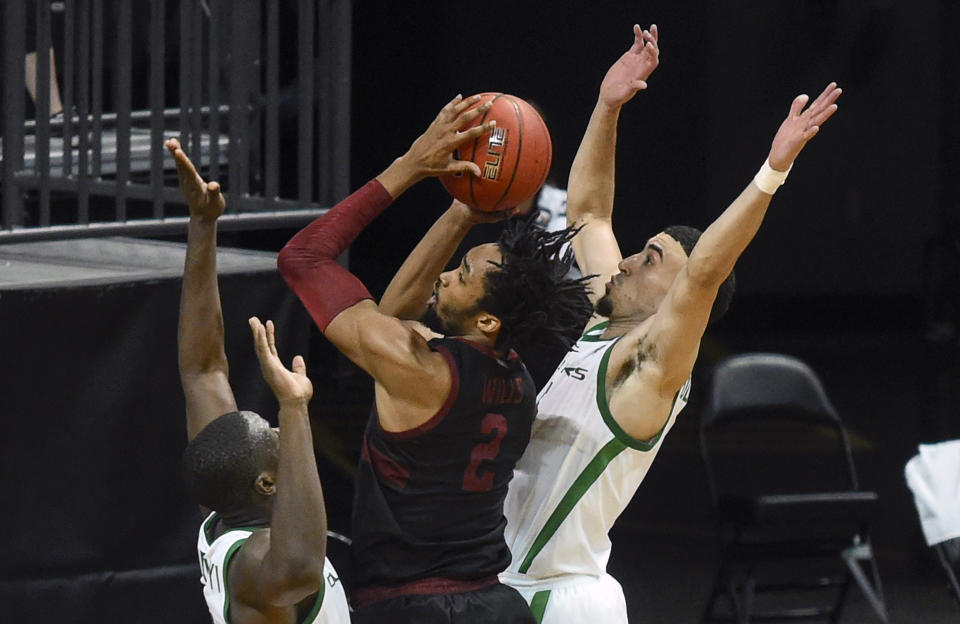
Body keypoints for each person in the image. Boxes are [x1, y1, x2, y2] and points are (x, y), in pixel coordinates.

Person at [500, 24, 842, 622]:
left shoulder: (649, 368)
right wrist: (608, 107)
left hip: (560, 600)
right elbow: (589, 211)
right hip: (516, 586)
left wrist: (771, 172)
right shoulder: (606, 322)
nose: (629, 259)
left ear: (676, 298)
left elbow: (705, 272)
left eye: (650, 260)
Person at [276, 96, 593, 623]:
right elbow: (395, 315)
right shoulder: (518, 380)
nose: (446, 275)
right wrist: (462, 213)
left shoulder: (417, 368)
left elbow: (303, 259)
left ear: (488, 320)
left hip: (413, 608)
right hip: (494, 605)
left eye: (463, 274)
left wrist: (411, 167)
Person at [168, 138, 350, 624]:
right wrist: (294, 409)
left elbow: (203, 368)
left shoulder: (232, 511)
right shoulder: (255, 565)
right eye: (270, 436)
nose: (275, 430)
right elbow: (300, 571)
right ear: (267, 483)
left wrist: (203, 226)